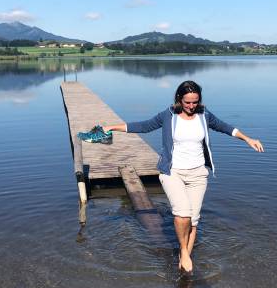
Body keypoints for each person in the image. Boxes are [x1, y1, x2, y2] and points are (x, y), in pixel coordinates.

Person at [103, 80, 264, 274]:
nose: (191, 106)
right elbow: (144, 126)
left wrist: (248, 139)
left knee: (193, 220)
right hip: (173, 172)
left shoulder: (204, 115)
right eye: (187, 102)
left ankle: (184, 257)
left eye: (195, 102)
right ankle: (184, 251)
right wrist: (111, 127)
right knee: (182, 213)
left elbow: (225, 127)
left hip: (198, 174)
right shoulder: (168, 116)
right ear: (179, 99)